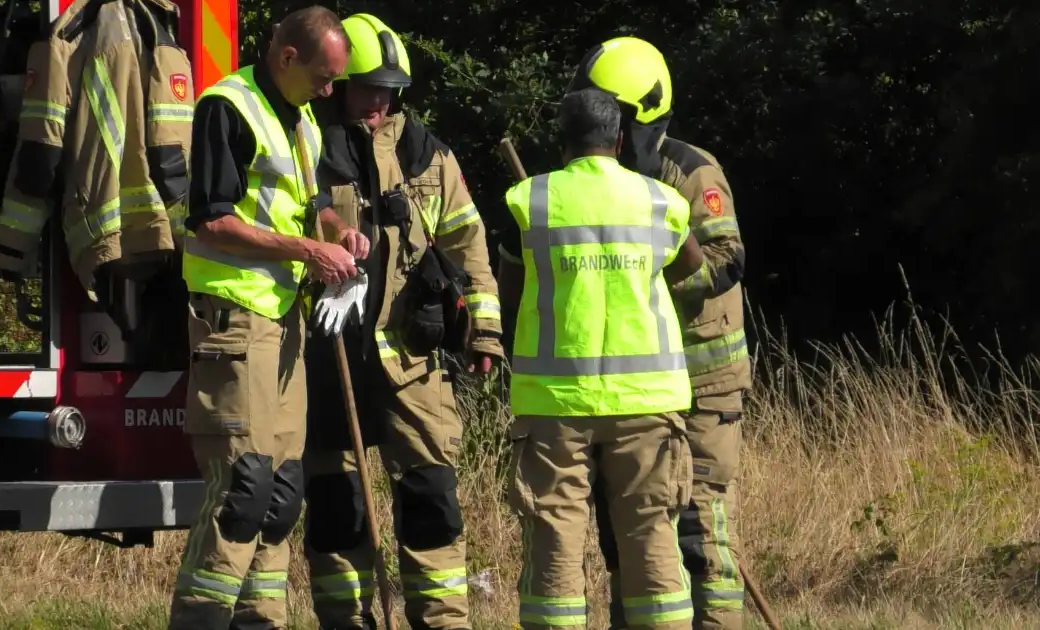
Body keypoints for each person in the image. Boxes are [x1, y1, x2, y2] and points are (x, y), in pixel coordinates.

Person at [298, 13, 504, 630]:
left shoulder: (429, 157)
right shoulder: (308, 147)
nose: (381, 102)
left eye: (391, 90)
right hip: (326, 360)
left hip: (411, 363)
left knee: (433, 499)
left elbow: (472, 251)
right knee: (337, 510)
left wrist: (485, 331)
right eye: (369, 88)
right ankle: (348, 621)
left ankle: (442, 622)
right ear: (339, 85)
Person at [166, 7, 370, 630]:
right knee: (244, 489)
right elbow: (213, 220)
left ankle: (262, 620)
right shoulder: (227, 106)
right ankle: (199, 620)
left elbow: (307, 208)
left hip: (285, 321)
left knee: (282, 494)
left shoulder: (300, 116)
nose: (331, 92)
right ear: (287, 58)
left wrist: (341, 233)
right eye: (324, 77)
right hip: (235, 319)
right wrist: (310, 251)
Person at [557, 36, 752, 630]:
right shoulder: (596, 178)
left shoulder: (692, 173)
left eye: (616, 115)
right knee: (633, 531)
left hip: (702, 384)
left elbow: (727, 260)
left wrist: (652, 266)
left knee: (702, 534)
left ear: (644, 115)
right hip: (637, 390)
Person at [499, 87, 703, 630]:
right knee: (650, 533)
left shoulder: (529, 201)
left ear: (561, 141)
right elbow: (690, 270)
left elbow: (508, 291)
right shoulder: (662, 201)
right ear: (619, 137)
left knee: (555, 533)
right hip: (647, 400)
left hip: (555, 403)